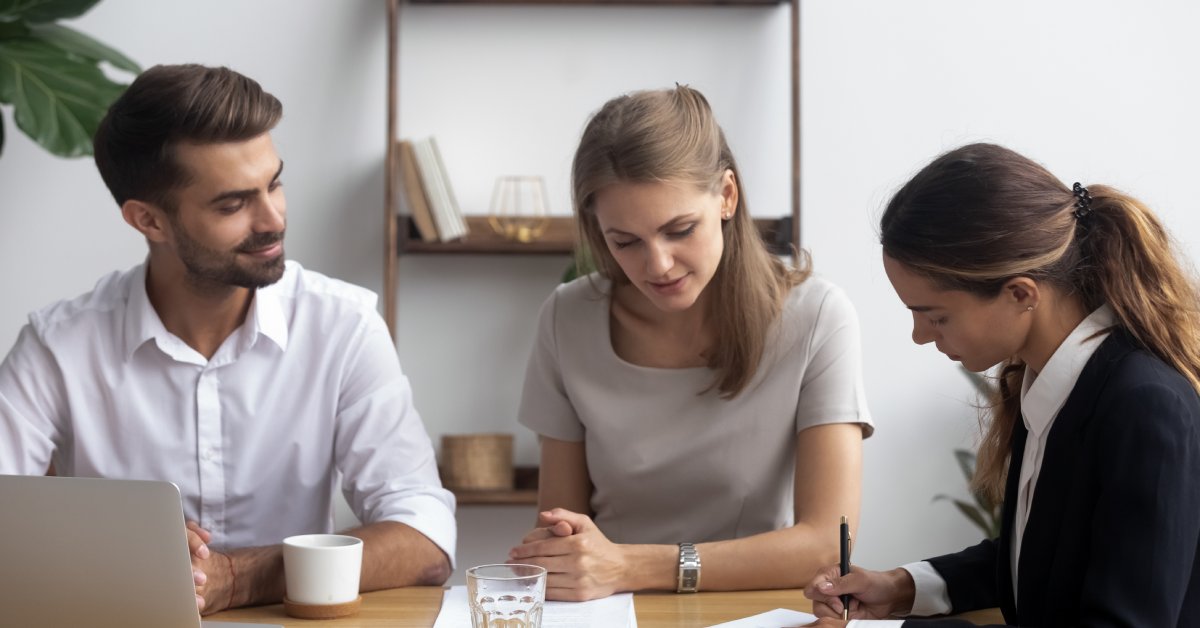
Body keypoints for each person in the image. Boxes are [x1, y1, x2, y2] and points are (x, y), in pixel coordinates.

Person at [0, 64, 456, 614]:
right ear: (149, 221)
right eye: (233, 204)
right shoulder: (58, 347)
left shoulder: (343, 326)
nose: (273, 219)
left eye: (275, 184)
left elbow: (425, 537)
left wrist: (240, 577)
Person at [804, 143, 1200, 627]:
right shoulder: (1046, 383)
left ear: (1019, 294)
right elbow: (1038, 562)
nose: (919, 335)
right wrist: (900, 587)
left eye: (935, 316)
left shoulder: (1143, 406)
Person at [508, 86, 873, 601]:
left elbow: (825, 546)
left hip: (752, 609)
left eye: (679, 230)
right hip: (609, 611)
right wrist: (579, 562)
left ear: (726, 196)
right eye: (624, 241)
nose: (656, 265)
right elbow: (563, 529)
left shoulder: (816, 318)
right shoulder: (568, 317)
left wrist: (632, 566)